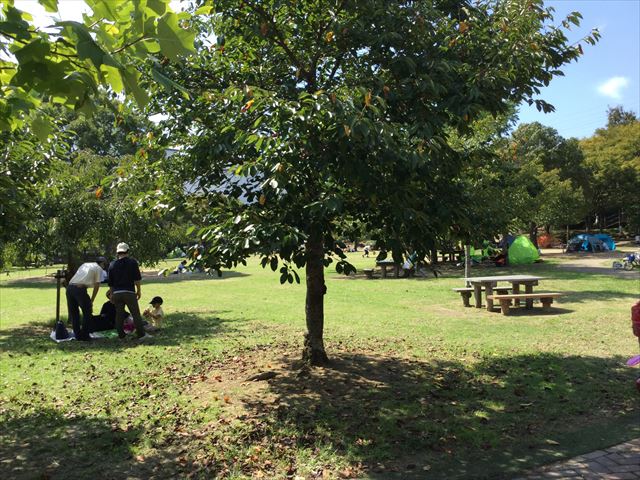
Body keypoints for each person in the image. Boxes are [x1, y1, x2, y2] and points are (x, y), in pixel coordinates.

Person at [108, 242, 150, 341]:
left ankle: (121, 336)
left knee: (119, 315)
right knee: (135, 314)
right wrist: (139, 290)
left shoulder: (112, 264)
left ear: (117, 252)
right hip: (129, 292)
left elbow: (111, 283)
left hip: (117, 293)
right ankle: (141, 335)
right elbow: (137, 279)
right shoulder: (132, 262)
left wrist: (112, 294)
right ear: (127, 251)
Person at [66, 256, 108, 341]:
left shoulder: (85, 264)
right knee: (87, 312)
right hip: (79, 289)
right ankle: (85, 335)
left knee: (74, 313)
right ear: (102, 263)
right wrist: (92, 300)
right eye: (105, 265)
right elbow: (97, 286)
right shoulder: (98, 269)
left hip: (70, 288)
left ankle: (78, 335)